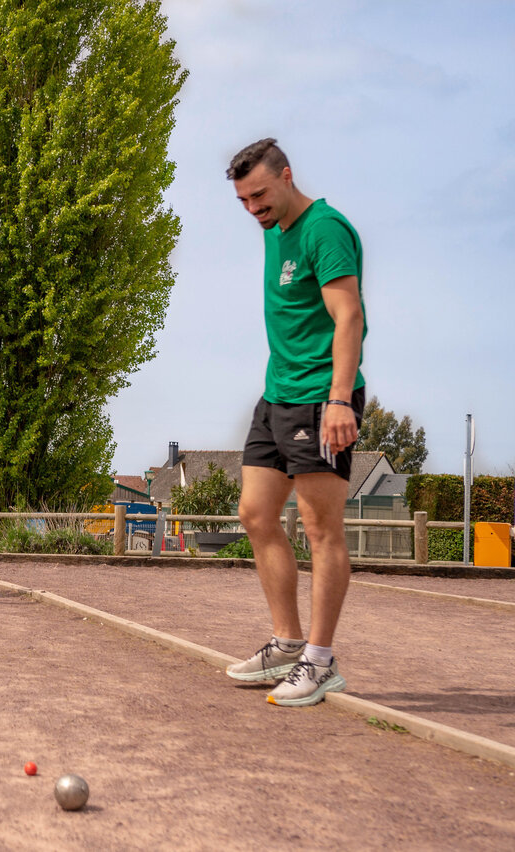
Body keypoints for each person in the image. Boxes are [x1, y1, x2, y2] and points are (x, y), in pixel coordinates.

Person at [224, 138, 367, 707]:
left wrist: (338, 400)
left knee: (320, 528)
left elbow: (348, 314)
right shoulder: (274, 231)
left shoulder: (324, 229)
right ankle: (286, 643)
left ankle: (320, 661)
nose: (253, 209)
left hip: (320, 399)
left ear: (287, 176)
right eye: (243, 201)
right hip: (278, 394)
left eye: (260, 195)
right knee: (256, 514)